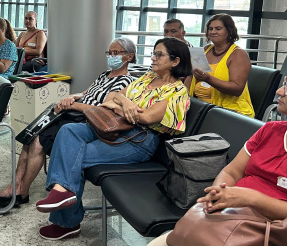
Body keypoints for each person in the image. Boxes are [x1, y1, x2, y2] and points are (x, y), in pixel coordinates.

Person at [35, 37, 192, 240]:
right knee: (69, 131)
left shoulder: (178, 93)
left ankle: (67, 221)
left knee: (74, 157)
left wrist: (121, 103)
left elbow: (145, 117)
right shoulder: (147, 78)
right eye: (154, 53)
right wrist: (126, 104)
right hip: (112, 125)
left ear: (175, 61)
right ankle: (62, 191)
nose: (153, 57)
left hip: (139, 140)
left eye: (159, 54)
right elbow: (110, 97)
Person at [0, 37, 138, 207]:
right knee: (30, 137)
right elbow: (85, 93)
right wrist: (70, 97)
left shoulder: (127, 82)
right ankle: (15, 186)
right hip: (74, 113)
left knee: (37, 141)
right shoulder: (104, 75)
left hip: (88, 121)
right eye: (110, 52)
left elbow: (101, 108)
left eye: (116, 53)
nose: (111, 56)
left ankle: (22, 190)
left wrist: (72, 104)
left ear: (129, 57)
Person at [148, 80, 287, 246]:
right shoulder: (270, 130)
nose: (279, 91)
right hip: (231, 213)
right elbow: (232, 172)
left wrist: (251, 198)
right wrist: (218, 194)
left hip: (268, 228)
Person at [185, 13, 254, 117]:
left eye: (218, 29)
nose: (213, 32)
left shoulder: (238, 54)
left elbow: (237, 88)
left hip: (229, 113)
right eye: (210, 29)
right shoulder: (205, 50)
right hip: (200, 108)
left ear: (229, 31)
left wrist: (208, 79)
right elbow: (191, 77)